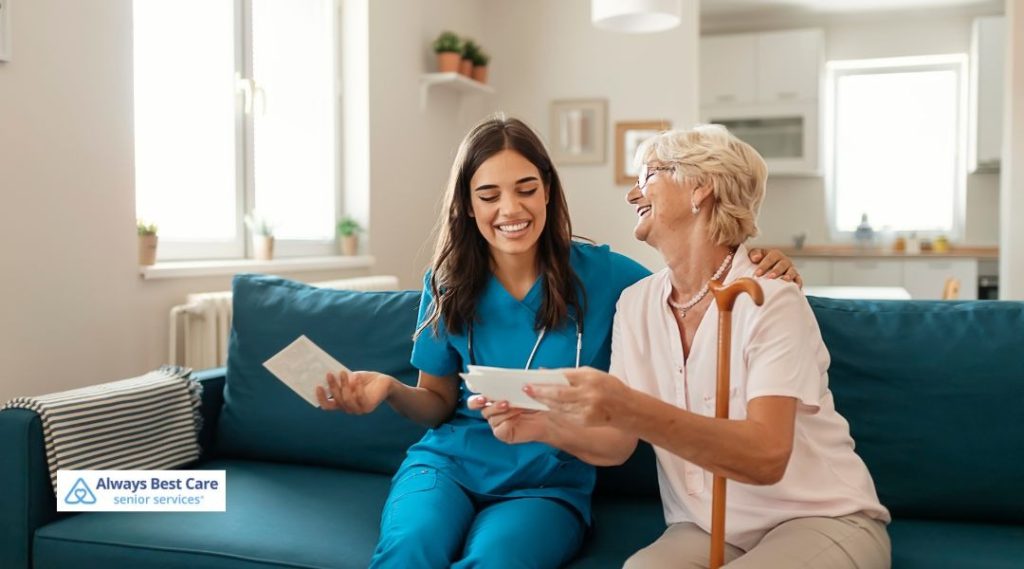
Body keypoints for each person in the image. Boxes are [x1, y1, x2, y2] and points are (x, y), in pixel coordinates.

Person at [315, 117, 800, 568]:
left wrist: (756, 259)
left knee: (496, 561)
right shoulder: (446, 282)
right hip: (447, 466)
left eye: (526, 189)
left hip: (547, 484)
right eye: (488, 195)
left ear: (548, 191)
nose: (510, 209)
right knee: (409, 550)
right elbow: (438, 403)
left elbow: (694, 281)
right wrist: (389, 390)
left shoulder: (608, 277)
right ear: (467, 205)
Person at [523, 124, 891, 569]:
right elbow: (618, 443)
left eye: (647, 177)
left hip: (818, 518)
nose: (631, 195)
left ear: (700, 188)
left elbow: (766, 457)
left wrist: (629, 406)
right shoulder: (636, 305)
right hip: (706, 526)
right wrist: (540, 426)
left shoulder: (769, 297)